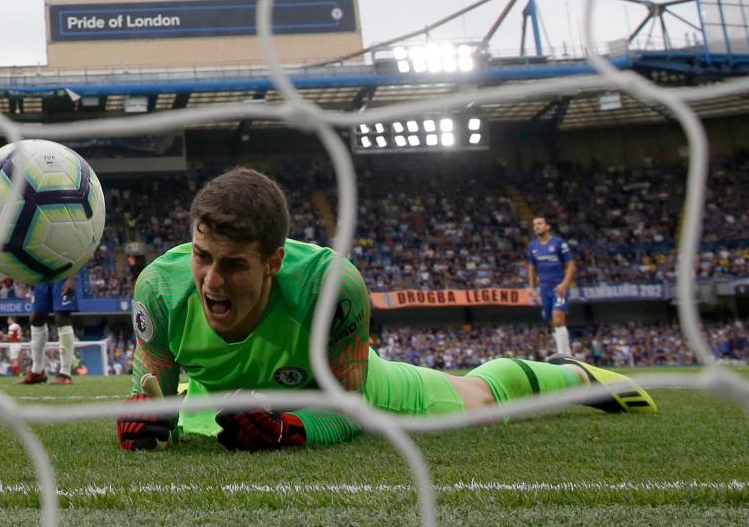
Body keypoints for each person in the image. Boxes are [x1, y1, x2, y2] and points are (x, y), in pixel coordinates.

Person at [116, 168, 656, 452]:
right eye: (202, 257)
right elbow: (152, 402)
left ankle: (571, 375)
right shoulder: (159, 291)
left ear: (274, 261)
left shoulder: (332, 286)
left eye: (233, 265)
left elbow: (349, 411)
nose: (211, 281)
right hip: (224, 403)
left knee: (481, 399)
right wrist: (146, 427)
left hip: (349, 393)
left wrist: (294, 430)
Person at [526, 215, 577, 356]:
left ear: (547, 226)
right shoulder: (532, 246)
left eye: (540, 223)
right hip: (544, 288)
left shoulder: (559, 243)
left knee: (558, 317)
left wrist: (565, 284)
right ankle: (567, 354)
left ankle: (563, 355)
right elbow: (532, 268)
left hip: (558, 287)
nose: (537, 226)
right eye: (535, 224)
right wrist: (531, 288)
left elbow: (571, 265)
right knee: (551, 321)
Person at [19, 276, 77, 385]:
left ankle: (65, 373)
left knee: (62, 316)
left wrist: (72, 278)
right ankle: (37, 371)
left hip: (64, 272)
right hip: (43, 276)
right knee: (36, 318)